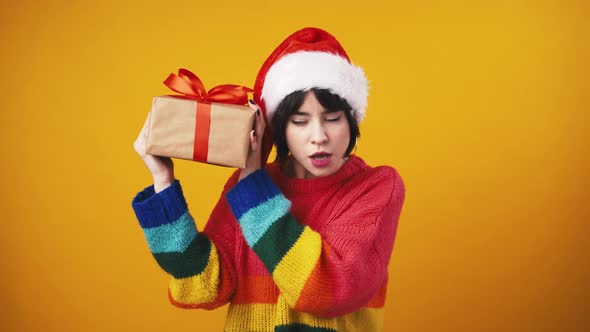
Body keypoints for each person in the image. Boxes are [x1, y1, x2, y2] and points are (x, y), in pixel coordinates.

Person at [132, 27, 406, 332]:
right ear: (278, 129)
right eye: (299, 121)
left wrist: (252, 187)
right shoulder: (251, 185)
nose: (319, 137)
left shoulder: (376, 186)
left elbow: (325, 289)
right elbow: (201, 285)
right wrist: (163, 181)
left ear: (352, 120)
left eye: (332, 119)